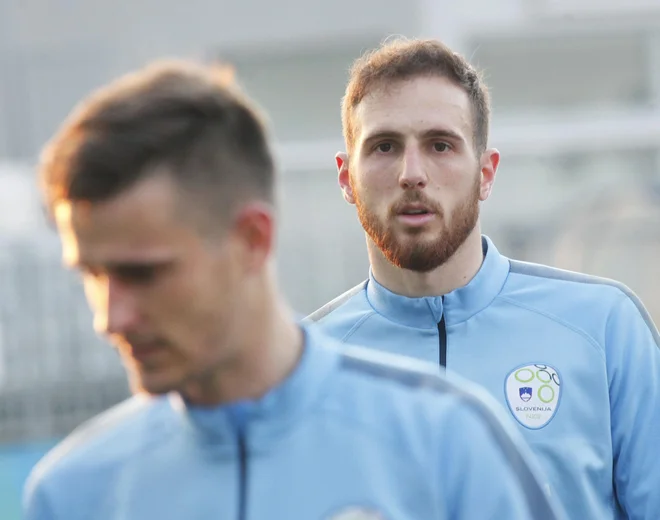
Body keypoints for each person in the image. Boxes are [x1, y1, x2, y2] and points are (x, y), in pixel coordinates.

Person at [22, 60, 563, 520]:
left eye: (144, 274)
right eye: (94, 275)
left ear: (253, 240)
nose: (110, 317)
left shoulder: (445, 438)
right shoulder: (74, 493)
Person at [307, 37, 660, 520]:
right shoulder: (306, 366)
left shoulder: (604, 328)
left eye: (440, 145)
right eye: (385, 146)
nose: (413, 173)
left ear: (486, 173)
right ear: (347, 177)